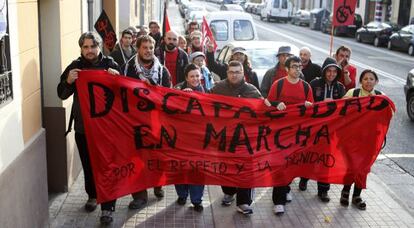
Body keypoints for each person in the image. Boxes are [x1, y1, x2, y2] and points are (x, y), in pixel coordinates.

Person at [57, 32, 120, 225]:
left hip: (107, 129)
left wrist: (117, 80)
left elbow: (124, 95)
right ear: (81, 49)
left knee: (107, 167)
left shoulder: (111, 65)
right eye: (85, 47)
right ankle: (93, 195)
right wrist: (68, 81)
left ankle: (108, 207)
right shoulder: (75, 66)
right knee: (89, 165)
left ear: (99, 47)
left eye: (93, 46)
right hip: (83, 128)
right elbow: (61, 93)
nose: (89, 50)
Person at [124, 35, 171, 210]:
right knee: (136, 158)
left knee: (156, 156)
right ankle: (139, 195)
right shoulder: (129, 68)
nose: (148, 51)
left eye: (151, 48)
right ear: (138, 49)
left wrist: (151, 85)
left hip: (156, 122)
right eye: (145, 47)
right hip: (134, 122)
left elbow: (168, 96)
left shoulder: (162, 71)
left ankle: (158, 185)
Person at [264, 56, 313, 216]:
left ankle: (285, 187)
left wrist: (308, 107)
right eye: (294, 67)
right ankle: (278, 201)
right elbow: (267, 104)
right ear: (287, 69)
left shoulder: (306, 87)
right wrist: (275, 104)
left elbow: (312, 112)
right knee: (280, 165)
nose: (298, 69)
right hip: (279, 134)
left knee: (292, 165)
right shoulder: (278, 85)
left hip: (298, 134)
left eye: (299, 66)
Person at [211, 61, 262, 214]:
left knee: (245, 170)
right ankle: (229, 191)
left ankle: (244, 202)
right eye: (231, 72)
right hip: (224, 137)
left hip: (245, 140)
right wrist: (185, 90)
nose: (234, 74)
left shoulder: (251, 91)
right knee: (225, 168)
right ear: (227, 73)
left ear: (243, 73)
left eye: (237, 72)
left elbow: (262, 112)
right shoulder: (217, 88)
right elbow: (201, 101)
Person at [298, 57, 346, 202]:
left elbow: (345, 108)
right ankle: (304, 178)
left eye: (334, 71)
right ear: (324, 71)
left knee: (326, 159)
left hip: (331, 129)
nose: (331, 74)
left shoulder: (340, 87)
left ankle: (323, 190)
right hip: (314, 126)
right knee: (309, 155)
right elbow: (306, 104)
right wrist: (320, 104)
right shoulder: (314, 83)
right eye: (329, 71)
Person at [340, 69, 384, 210]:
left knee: (363, 168)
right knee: (351, 166)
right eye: (365, 79)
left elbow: (388, 115)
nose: (368, 81)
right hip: (352, 138)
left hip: (369, 140)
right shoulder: (353, 93)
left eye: (371, 79)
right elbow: (340, 110)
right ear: (361, 81)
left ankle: (357, 196)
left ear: (376, 81)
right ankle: (345, 192)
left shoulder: (380, 97)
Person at [173, 64, 207, 212]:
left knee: (197, 169)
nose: (194, 79)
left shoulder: (206, 91)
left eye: (197, 76)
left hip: (198, 139)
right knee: (180, 167)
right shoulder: (177, 89)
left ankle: (196, 200)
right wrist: (180, 96)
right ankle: (182, 195)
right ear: (186, 78)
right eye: (191, 76)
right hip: (180, 137)